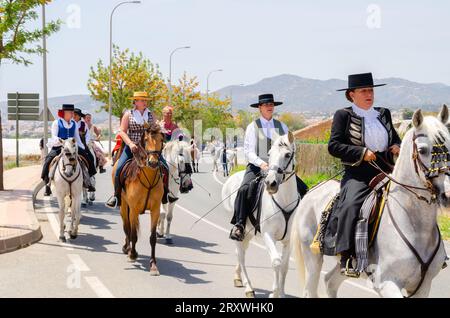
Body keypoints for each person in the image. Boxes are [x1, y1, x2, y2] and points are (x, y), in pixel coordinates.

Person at [327, 73, 401, 276]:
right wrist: (361, 152)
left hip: (387, 170)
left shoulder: (383, 113)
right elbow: (333, 146)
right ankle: (346, 255)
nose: (369, 94)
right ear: (352, 95)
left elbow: (396, 137)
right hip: (358, 173)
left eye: (371, 90)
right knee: (351, 204)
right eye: (364, 91)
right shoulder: (343, 115)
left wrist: (397, 145)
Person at [229, 94, 309, 241]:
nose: (269, 107)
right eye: (266, 105)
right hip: (257, 166)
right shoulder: (252, 127)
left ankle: (303, 224)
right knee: (244, 189)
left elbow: (290, 148)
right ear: (260, 108)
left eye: (271, 104)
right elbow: (248, 152)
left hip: (279, 168)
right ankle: (239, 225)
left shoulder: (282, 127)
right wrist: (262, 163)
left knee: (304, 189)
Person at [106, 92, 172, 208]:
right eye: (142, 100)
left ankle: (166, 193)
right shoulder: (128, 114)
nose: (145, 102)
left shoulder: (151, 114)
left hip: (149, 148)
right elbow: (122, 131)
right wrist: (130, 144)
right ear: (135, 101)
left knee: (165, 166)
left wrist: (162, 131)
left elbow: (156, 128)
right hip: (133, 147)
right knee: (119, 168)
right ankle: (116, 196)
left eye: (146, 100)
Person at [41, 104, 95, 196]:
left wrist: (83, 148)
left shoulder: (74, 123)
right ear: (64, 113)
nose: (72, 114)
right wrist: (61, 141)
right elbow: (54, 136)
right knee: (48, 160)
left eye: (72, 112)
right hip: (59, 145)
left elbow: (77, 138)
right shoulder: (56, 123)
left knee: (88, 158)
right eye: (70, 112)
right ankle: (47, 183)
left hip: (72, 146)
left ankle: (88, 180)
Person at [73, 109, 98, 180]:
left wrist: (86, 144)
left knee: (91, 157)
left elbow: (87, 135)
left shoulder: (84, 124)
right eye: (73, 114)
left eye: (75, 115)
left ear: (79, 116)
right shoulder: (71, 123)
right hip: (72, 144)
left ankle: (91, 173)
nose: (74, 116)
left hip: (83, 144)